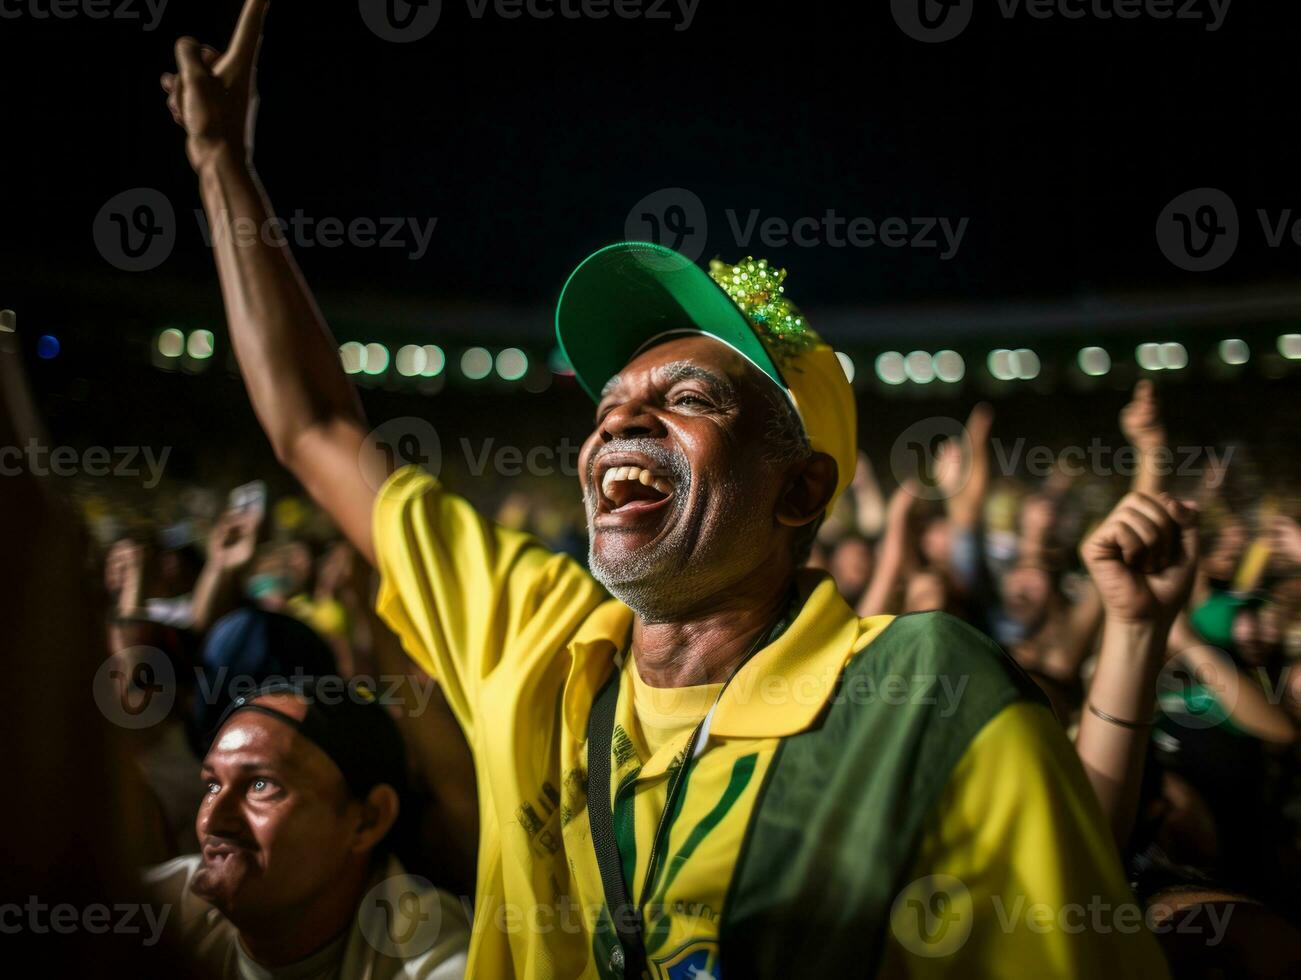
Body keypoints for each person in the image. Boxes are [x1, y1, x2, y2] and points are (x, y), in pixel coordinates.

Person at [159, 3, 1170, 975]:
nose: (616, 421)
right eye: (607, 402)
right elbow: (316, 427)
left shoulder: (928, 706)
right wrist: (221, 166)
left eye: (685, 397)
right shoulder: (537, 638)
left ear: (796, 489)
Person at [145, 677, 470, 979]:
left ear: (368, 820)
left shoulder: (430, 953)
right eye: (213, 785)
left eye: (261, 785)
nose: (212, 820)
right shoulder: (156, 914)